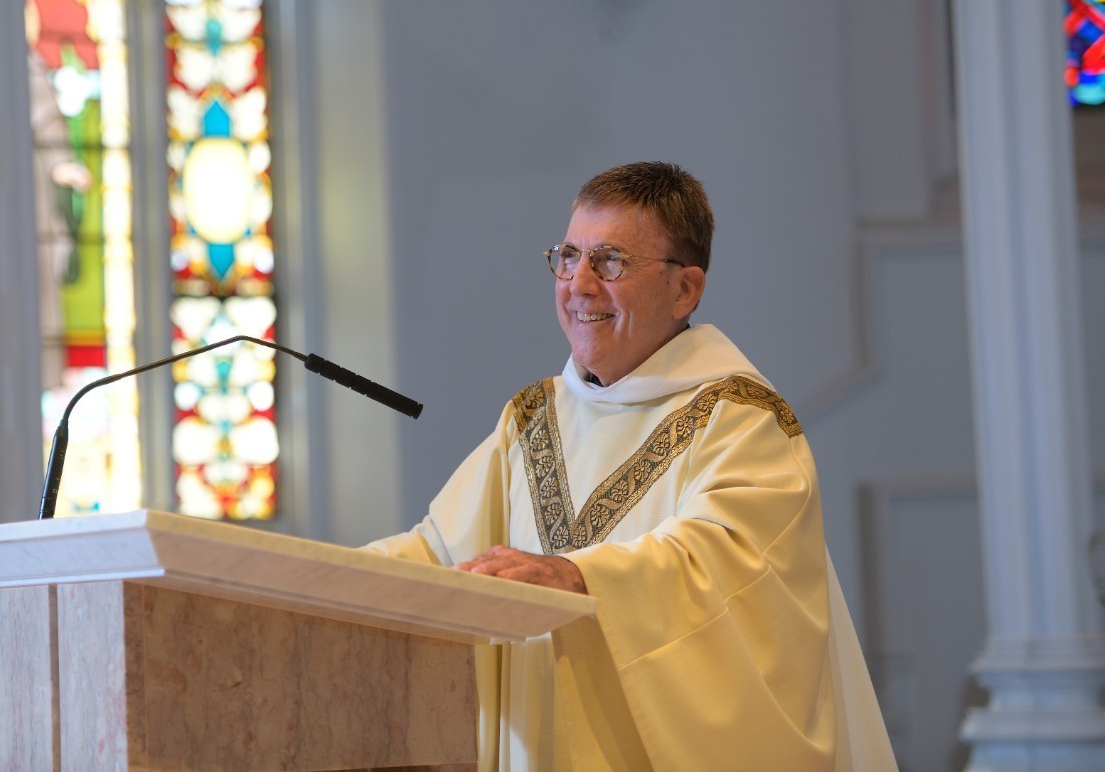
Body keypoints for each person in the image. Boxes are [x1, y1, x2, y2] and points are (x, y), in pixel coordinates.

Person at [367, 162, 896, 770]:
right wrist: (315, 579)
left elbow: (720, 565)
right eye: (567, 257)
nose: (580, 284)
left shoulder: (741, 420)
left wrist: (576, 576)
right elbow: (439, 554)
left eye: (610, 261)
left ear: (685, 290)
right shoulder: (533, 417)